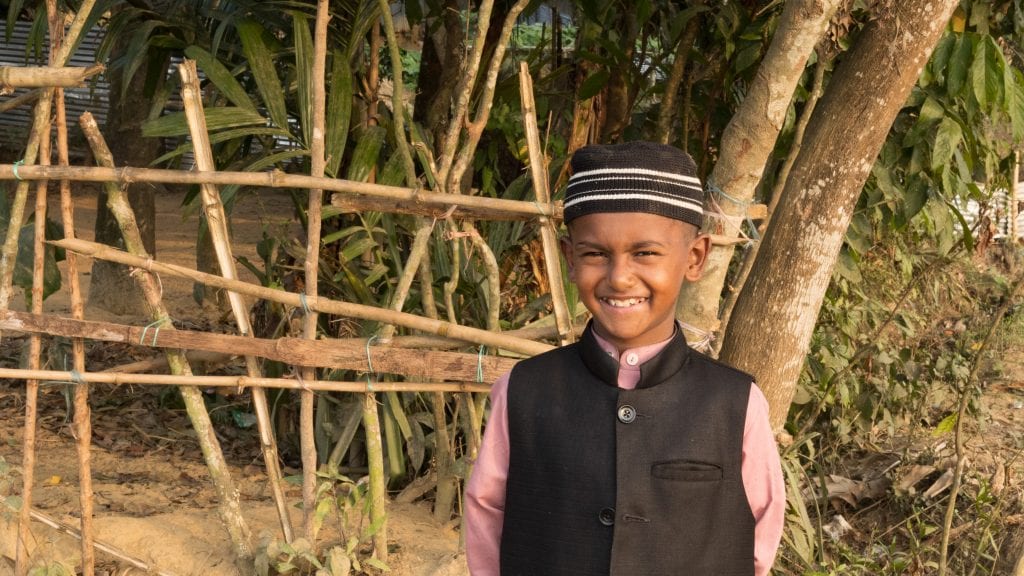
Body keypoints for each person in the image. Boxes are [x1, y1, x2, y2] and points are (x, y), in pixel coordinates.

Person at [464, 141, 786, 575]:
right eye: (595, 253)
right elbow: (487, 515)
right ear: (570, 259)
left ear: (695, 257)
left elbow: (758, 545)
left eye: (645, 253)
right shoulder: (522, 391)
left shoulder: (736, 404)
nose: (619, 278)